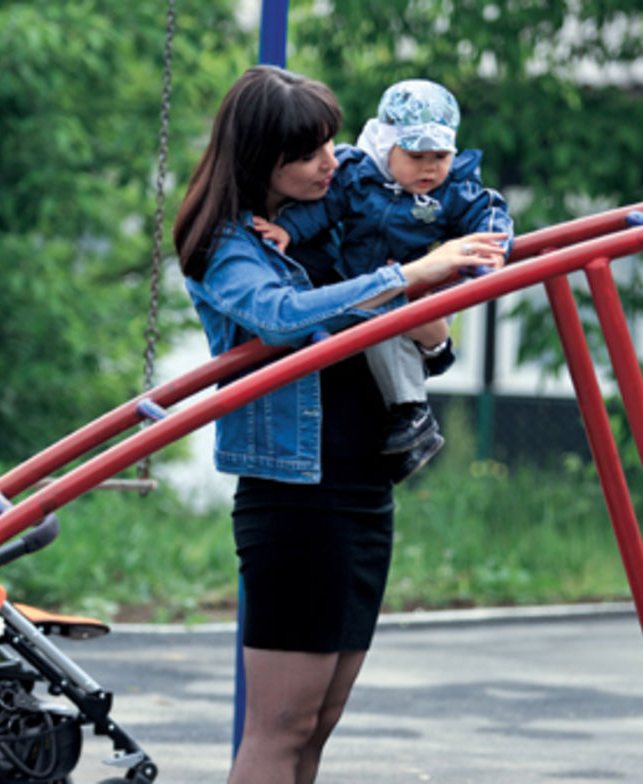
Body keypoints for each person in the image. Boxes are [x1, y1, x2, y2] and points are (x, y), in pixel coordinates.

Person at [173, 65, 506, 784]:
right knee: (281, 726)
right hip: (296, 494)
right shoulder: (226, 244)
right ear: (262, 159)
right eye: (310, 151)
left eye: (330, 142)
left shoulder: (339, 216)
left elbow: (419, 342)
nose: (334, 159)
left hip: (361, 484)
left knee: (318, 727)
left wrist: (430, 322)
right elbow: (282, 316)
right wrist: (414, 275)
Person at [255, 79, 513, 480]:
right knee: (359, 318)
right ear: (385, 145)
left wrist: (493, 250)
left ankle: (412, 411)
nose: (429, 167)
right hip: (360, 281)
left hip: (412, 287)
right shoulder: (356, 176)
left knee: (388, 324)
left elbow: (490, 213)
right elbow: (323, 211)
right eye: (416, 155)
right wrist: (288, 229)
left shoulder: (452, 190)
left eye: (440, 155)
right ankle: (406, 401)